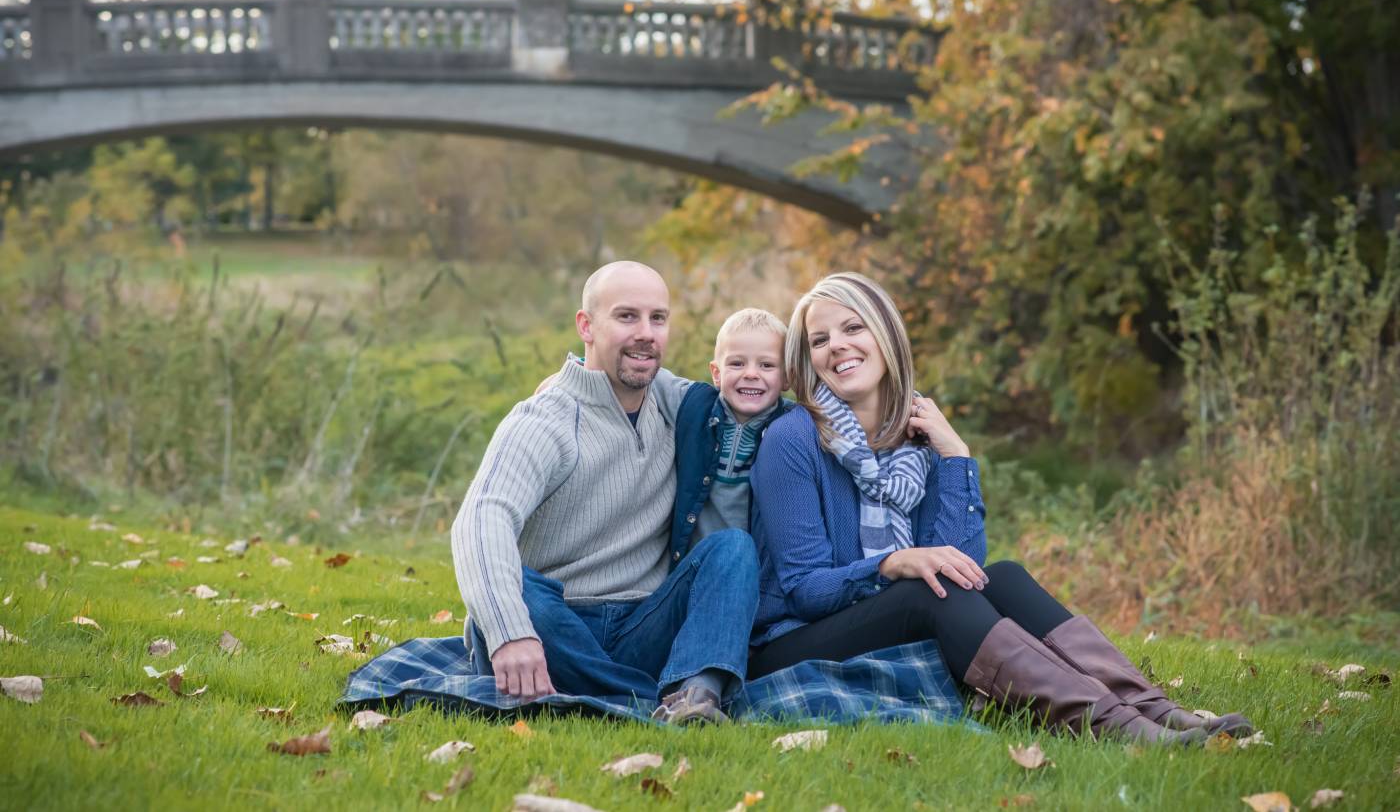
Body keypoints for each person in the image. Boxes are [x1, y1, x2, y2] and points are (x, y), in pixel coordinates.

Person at [747, 271, 1253, 744]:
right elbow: (804, 588)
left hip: (889, 618)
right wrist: (890, 563)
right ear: (808, 357)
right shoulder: (792, 439)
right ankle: (1116, 727)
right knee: (930, 594)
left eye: (853, 327)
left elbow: (965, 563)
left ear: (886, 336)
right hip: (793, 642)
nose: (837, 345)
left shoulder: (918, 439)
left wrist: (955, 456)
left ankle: (1155, 709)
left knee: (1002, 576)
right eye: (819, 339)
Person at [450, 261, 758, 725]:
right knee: (518, 590)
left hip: (645, 623)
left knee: (732, 549)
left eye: (658, 318)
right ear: (586, 326)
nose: (646, 334)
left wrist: (907, 407)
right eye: (627, 316)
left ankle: (696, 693)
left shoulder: (676, 403)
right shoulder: (545, 420)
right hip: (560, 620)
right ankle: (659, 699)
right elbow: (481, 519)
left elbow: (756, 394)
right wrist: (510, 633)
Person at [669, 308, 792, 565]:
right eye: (737, 363)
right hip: (691, 569)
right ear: (716, 373)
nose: (750, 374)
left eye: (766, 365)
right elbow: (649, 378)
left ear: (787, 377)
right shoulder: (694, 407)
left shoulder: (795, 427)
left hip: (754, 576)